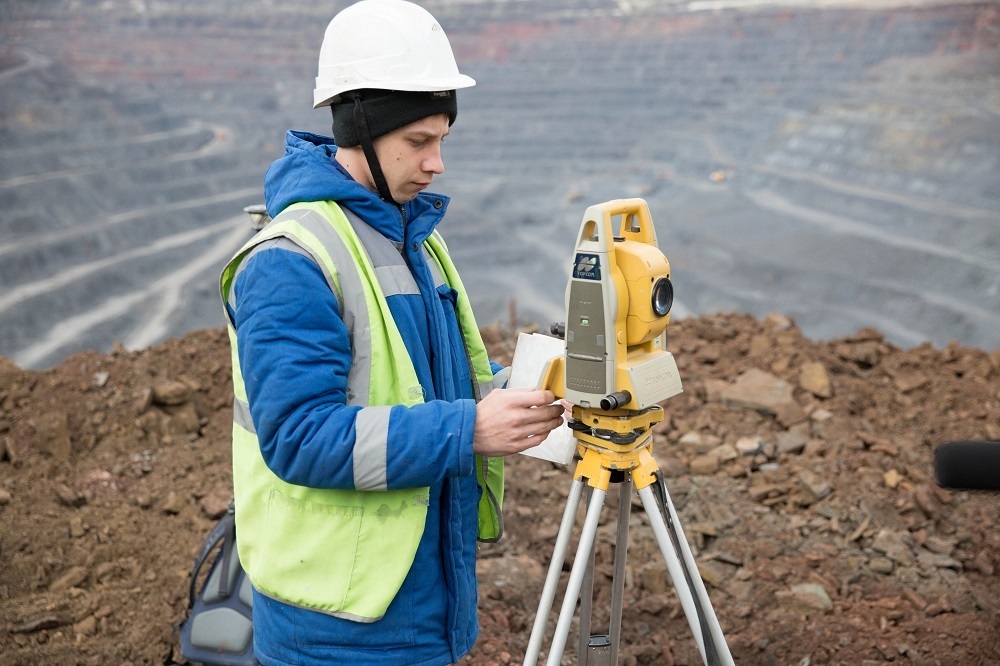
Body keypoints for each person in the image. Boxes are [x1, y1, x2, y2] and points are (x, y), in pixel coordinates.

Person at [218, 1, 564, 664]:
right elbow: (299, 438)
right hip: (336, 627)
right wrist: (470, 429)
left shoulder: (413, 240)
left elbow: (424, 389)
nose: (437, 164)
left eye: (442, 141)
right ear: (362, 128)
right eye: (418, 142)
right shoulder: (292, 261)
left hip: (421, 601)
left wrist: (522, 395)